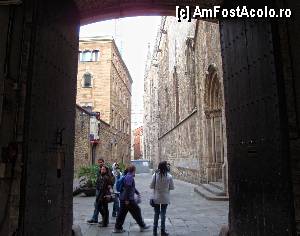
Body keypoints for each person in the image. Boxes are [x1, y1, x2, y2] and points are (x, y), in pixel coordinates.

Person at [113, 164, 150, 233]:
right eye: (135, 170)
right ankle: (142, 225)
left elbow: (131, 187)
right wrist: (127, 199)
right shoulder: (129, 177)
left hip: (124, 198)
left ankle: (117, 228)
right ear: (133, 170)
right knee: (136, 210)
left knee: (122, 214)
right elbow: (127, 188)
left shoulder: (128, 176)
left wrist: (137, 192)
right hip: (128, 199)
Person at [150, 161, 174, 236]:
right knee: (163, 214)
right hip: (165, 198)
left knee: (156, 214)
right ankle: (162, 231)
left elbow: (151, 186)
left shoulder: (155, 175)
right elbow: (172, 187)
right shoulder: (169, 176)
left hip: (156, 197)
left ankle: (154, 231)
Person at [87, 158, 105, 224]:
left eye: (101, 162)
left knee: (101, 205)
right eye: (99, 162)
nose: (100, 163)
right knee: (97, 204)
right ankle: (95, 218)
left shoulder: (105, 169)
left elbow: (108, 179)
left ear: (103, 162)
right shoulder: (98, 170)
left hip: (103, 190)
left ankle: (103, 219)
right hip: (98, 189)